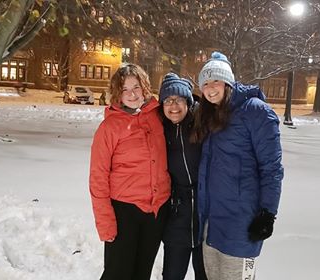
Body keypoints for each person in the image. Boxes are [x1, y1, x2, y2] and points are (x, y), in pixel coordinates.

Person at [191, 51, 284, 280]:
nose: (211, 88)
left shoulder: (255, 111)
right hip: (211, 223)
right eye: (205, 83)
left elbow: (272, 168)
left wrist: (267, 213)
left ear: (228, 83)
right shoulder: (209, 114)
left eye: (216, 81)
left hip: (241, 224)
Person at [89, 63, 171, 280]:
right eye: (125, 89)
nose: (132, 94)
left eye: (136, 87)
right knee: (118, 274)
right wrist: (106, 222)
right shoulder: (109, 128)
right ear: (118, 93)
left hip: (155, 211)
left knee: (141, 273)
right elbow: (98, 177)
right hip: (124, 212)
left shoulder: (158, 118)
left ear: (144, 87)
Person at [159, 73, 207, 280]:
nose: (174, 106)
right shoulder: (159, 128)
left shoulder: (203, 123)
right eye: (168, 100)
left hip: (206, 213)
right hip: (176, 213)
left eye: (178, 99)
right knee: (172, 274)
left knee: (205, 274)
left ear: (188, 101)